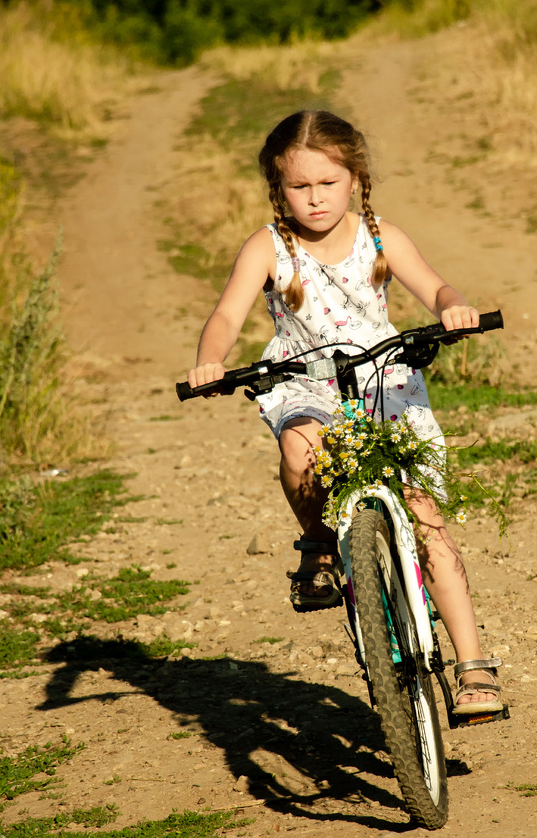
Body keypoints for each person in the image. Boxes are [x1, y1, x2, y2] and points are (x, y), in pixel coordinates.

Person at [187, 109, 501, 715]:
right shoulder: (269, 247)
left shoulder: (380, 235)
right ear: (277, 189)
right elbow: (226, 316)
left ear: (354, 178)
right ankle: (320, 544)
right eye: (298, 187)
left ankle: (473, 664)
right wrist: (210, 359)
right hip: (304, 381)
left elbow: (435, 287)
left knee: (423, 514)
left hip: (382, 375)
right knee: (298, 447)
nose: (313, 199)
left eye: (327, 184)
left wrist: (454, 307)